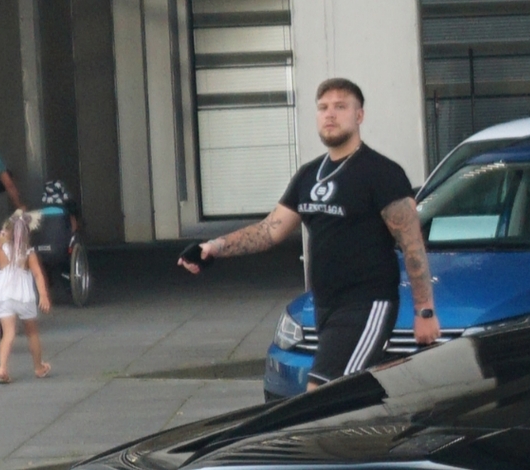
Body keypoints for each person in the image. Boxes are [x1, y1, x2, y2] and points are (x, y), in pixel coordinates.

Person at [176, 77, 438, 379]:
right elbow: (268, 230)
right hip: (324, 306)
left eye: (341, 107)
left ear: (359, 115)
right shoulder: (309, 175)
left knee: (324, 392)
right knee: (347, 395)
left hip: (367, 304)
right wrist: (212, 248)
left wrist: (425, 311)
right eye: (323, 107)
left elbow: (412, 245)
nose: (330, 114)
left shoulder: (382, 173)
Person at [0, 209, 52, 383]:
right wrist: (43, 295)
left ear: (8, 233)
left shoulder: (1, 250)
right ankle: (38, 367)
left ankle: (2, 368)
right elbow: (38, 274)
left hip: (5, 294)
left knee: (8, 334)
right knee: (32, 333)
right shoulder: (28, 252)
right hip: (24, 295)